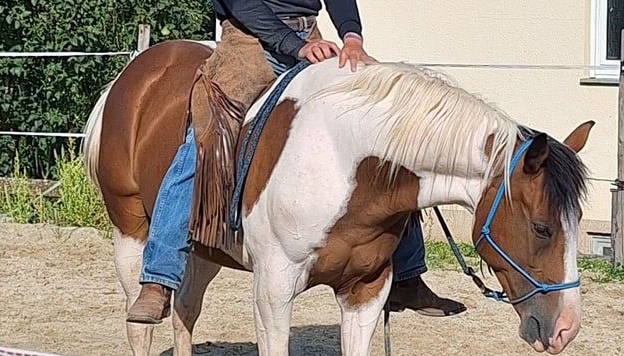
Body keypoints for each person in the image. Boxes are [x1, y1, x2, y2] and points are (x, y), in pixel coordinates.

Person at [126, 0, 467, 324]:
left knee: (381, 124)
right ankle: (159, 277)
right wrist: (294, 45)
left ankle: (406, 274)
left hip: (310, 38)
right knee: (208, 138)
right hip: (248, 43)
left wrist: (351, 36)